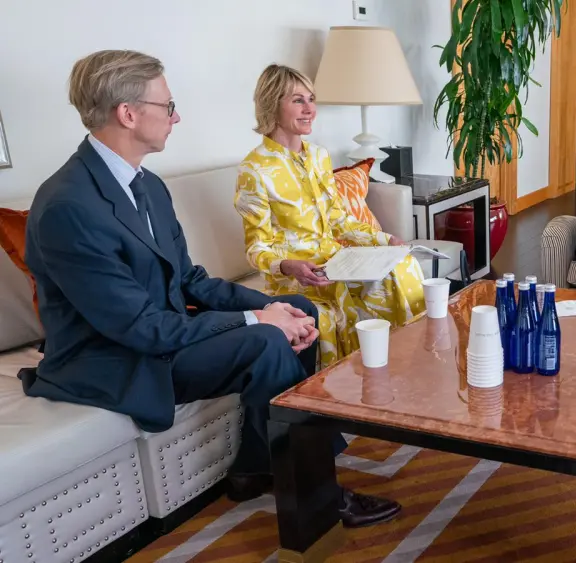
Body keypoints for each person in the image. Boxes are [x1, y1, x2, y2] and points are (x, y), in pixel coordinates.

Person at [20, 50, 401, 526]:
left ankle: (255, 467)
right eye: (168, 105)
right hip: (114, 357)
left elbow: (188, 280)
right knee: (266, 340)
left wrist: (273, 306)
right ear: (128, 114)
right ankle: (318, 494)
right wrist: (256, 320)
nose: (176, 117)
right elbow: (140, 329)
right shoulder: (68, 207)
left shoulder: (147, 185)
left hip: (161, 332)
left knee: (297, 307)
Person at [235, 64, 424, 368]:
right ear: (272, 104)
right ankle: (356, 376)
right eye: (298, 100)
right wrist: (287, 265)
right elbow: (256, 248)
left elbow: (338, 220)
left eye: (311, 99)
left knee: (402, 266)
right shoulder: (254, 169)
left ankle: (406, 361)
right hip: (296, 277)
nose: (310, 109)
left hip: (336, 262)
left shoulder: (318, 156)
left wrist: (385, 239)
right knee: (340, 303)